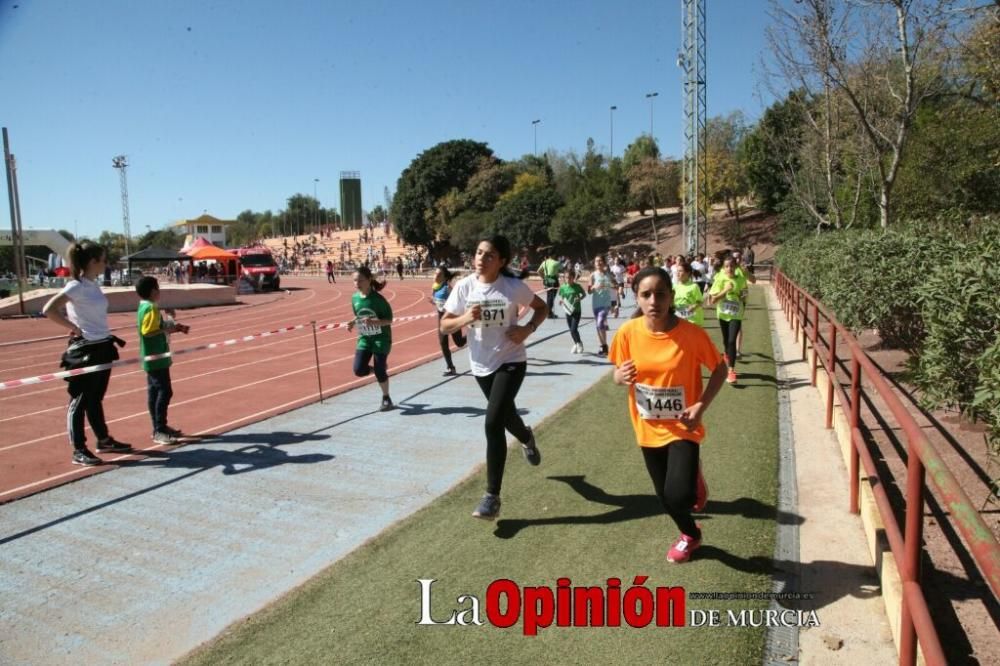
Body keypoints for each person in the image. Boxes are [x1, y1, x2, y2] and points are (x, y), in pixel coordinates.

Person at [609, 266, 727, 563]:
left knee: (681, 496)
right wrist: (619, 377)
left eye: (660, 294)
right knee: (664, 497)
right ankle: (691, 535)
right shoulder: (627, 333)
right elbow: (616, 373)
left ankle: (692, 479)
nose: (653, 301)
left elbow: (720, 368)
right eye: (645, 295)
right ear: (636, 298)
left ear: (671, 297)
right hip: (647, 427)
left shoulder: (691, 335)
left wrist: (701, 405)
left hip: (683, 425)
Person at [440, 235, 548, 520]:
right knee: (506, 415)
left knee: (492, 422)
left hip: (511, 360)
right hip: (480, 365)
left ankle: (492, 497)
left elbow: (542, 307)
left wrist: (527, 329)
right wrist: (465, 319)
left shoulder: (512, 287)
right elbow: (444, 325)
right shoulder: (464, 287)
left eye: (489, 255)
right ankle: (526, 437)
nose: (481, 259)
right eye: (478, 253)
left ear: (502, 261)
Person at [42, 241, 132, 466]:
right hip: (85, 350)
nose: (106, 264)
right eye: (103, 260)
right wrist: (73, 328)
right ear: (93, 262)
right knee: (79, 400)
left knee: (96, 398)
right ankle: (79, 449)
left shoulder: (93, 285)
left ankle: (103, 439)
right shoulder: (75, 286)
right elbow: (48, 310)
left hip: (103, 346)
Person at [135, 276, 190, 445]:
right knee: (164, 392)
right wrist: (170, 324)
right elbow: (148, 331)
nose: (159, 292)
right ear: (153, 291)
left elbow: (156, 329)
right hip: (156, 357)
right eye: (158, 288)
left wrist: (174, 326)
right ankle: (159, 429)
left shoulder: (145, 307)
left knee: (155, 392)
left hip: (154, 356)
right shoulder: (151, 308)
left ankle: (160, 427)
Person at [347, 266, 395, 411]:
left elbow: (389, 320)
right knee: (358, 370)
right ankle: (378, 370)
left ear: (369, 280)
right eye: (355, 280)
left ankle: (386, 398)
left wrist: (375, 322)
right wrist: (353, 321)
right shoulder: (354, 298)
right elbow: (359, 315)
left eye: (360, 280)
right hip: (365, 338)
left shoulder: (378, 300)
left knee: (381, 371)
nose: (357, 283)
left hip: (381, 338)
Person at [708, 257, 747, 384]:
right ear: (723, 268)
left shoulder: (741, 279)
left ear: (736, 267)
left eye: (731, 266)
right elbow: (713, 300)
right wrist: (725, 290)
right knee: (726, 341)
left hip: (736, 314)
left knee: (731, 340)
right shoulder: (720, 279)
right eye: (726, 266)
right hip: (723, 314)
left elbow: (744, 295)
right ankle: (727, 354)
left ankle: (731, 370)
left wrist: (741, 296)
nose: (729, 268)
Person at [430, 266, 467, 376]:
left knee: (459, 343)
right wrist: (434, 302)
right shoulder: (435, 287)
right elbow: (440, 302)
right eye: (435, 273)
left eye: (439, 274)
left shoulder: (448, 288)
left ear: (445, 277)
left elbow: (457, 302)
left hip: (452, 318)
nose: (436, 276)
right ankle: (450, 367)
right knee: (443, 343)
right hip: (441, 319)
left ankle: (471, 335)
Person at [587, 255, 615, 355]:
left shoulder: (608, 274)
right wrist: (594, 287)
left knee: (600, 322)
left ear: (604, 262)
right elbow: (589, 291)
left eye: (600, 261)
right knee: (599, 325)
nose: (598, 263)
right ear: (594, 264)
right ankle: (603, 346)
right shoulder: (593, 275)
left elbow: (616, 285)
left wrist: (615, 303)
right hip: (596, 303)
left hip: (606, 303)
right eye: (596, 261)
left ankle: (604, 346)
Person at [558, 269, 586, 353]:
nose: (568, 279)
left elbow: (584, 294)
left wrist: (579, 298)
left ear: (573, 278)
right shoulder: (563, 287)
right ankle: (576, 343)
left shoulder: (577, 286)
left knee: (574, 329)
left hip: (576, 311)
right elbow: (561, 296)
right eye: (566, 278)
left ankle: (580, 343)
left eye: (570, 278)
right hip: (568, 311)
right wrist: (561, 300)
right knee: (571, 330)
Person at [672, 260, 705, 327]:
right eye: (677, 271)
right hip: (680, 320)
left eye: (680, 271)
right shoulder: (674, 286)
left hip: (693, 321)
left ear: (688, 273)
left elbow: (700, 302)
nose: (678, 273)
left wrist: (693, 307)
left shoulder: (694, 287)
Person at [539, 252, 561, 319]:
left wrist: (544, 278)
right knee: (552, 297)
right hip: (553, 280)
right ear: (554, 255)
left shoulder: (544, 262)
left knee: (549, 296)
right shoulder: (556, 263)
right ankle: (548, 313)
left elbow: (539, 271)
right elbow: (558, 273)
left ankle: (549, 312)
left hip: (547, 280)